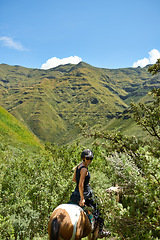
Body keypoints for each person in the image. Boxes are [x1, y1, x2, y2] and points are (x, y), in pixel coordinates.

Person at [69, 149, 111, 238]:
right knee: (100, 208)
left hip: (75, 193)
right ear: (83, 158)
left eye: (91, 159)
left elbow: (74, 180)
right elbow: (80, 184)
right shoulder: (84, 169)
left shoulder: (78, 166)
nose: (89, 160)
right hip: (86, 194)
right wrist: (82, 198)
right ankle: (100, 231)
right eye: (87, 158)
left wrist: (85, 182)